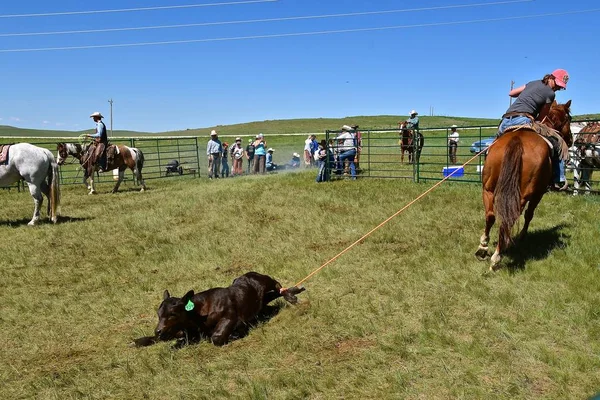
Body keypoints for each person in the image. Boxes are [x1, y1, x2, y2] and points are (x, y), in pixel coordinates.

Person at [498, 69, 570, 190]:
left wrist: (528, 93)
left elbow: (512, 93)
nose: (558, 88)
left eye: (561, 87)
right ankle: (559, 179)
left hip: (504, 122)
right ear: (551, 78)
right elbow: (541, 118)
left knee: (497, 143)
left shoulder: (532, 83)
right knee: (558, 142)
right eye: (558, 85)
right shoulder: (551, 94)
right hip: (524, 120)